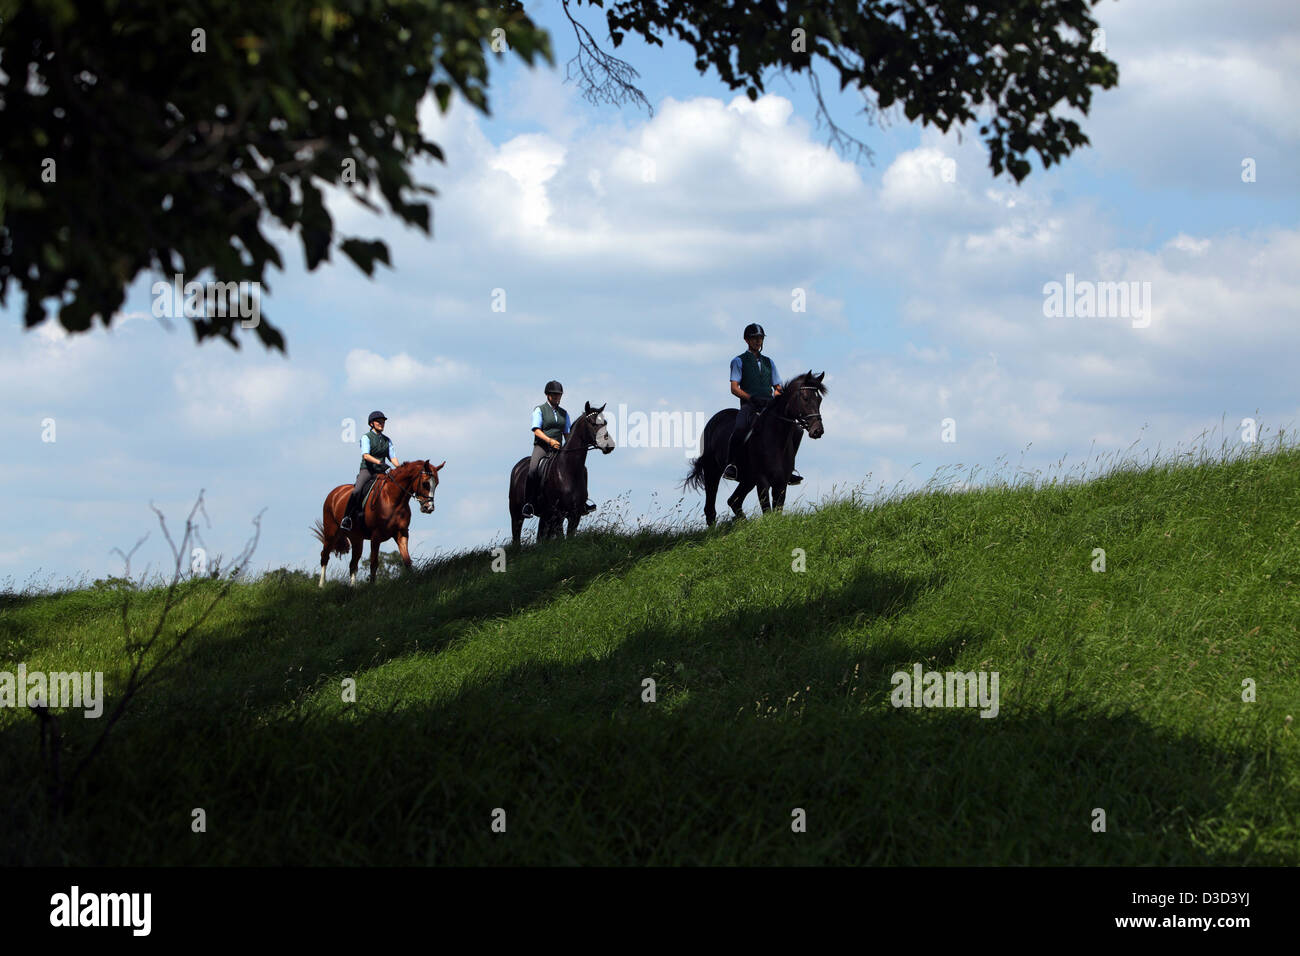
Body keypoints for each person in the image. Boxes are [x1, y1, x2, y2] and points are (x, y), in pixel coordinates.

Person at [723, 323, 802, 484]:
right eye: (754, 338)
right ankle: (732, 465)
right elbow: (734, 388)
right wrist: (750, 398)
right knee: (739, 428)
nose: (758, 341)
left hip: (769, 406)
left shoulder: (769, 362)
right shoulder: (738, 361)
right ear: (747, 340)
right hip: (749, 405)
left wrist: (778, 399)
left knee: (797, 430)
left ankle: (789, 468)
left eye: (760, 338)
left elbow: (778, 387)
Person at [341, 411, 401, 531]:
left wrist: (400, 469)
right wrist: (379, 462)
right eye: (379, 421)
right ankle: (347, 518)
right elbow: (366, 456)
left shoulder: (387, 440)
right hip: (367, 470)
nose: (381, 423)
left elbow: (392, 457)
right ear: (371, 423)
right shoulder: (366, 437)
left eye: (383, 422)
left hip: (381, 472)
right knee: (357, 490)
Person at [522, 381, 570, 519]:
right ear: (548, 395)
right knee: (532, 469)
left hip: (558, 449)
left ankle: (581, 501)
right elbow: (536, 430)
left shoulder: (564, 414)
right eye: (554, 395)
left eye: (559, 395)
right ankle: (529, 503)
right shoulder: (540, 410)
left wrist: (569, 448)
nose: (556, 397)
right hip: (542, 447)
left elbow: (567, 434)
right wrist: (549, 440)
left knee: (579, 468)